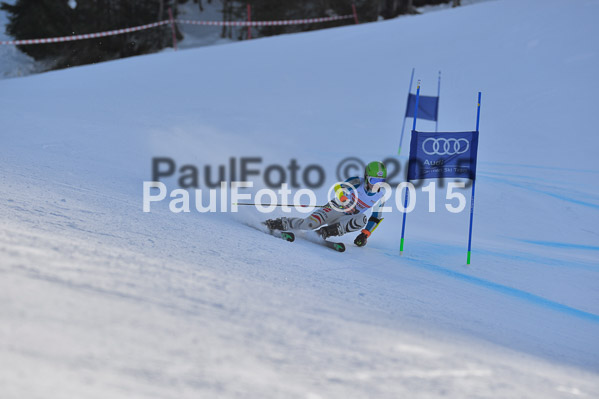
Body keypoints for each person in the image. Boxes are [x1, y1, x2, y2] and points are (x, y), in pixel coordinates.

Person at [265, 161, 387, 247]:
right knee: (309, 224)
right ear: (366, 178)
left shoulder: (380, 195)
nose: (377, 184)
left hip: (345, 219)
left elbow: (375, 217)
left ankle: (324, 232)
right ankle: (280, 223)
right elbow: (339, 187)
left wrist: (365, 235)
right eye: (374, 180)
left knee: (362, 219)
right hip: (336, 207)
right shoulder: (357, 181)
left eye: (381, 181)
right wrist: (345, 200)